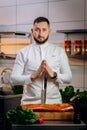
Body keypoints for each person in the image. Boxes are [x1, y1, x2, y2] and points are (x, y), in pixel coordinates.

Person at [10, 16, 72, 104]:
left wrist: (54, 75)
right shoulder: (23, 52)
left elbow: (69, 77)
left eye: (44, 30)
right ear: (32, 31)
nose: (40, 34)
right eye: (37, 30)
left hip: (54, 104)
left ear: (49, 31)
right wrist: (33, 76)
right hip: (29, 104)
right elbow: (14, 79)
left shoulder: (59, 51)